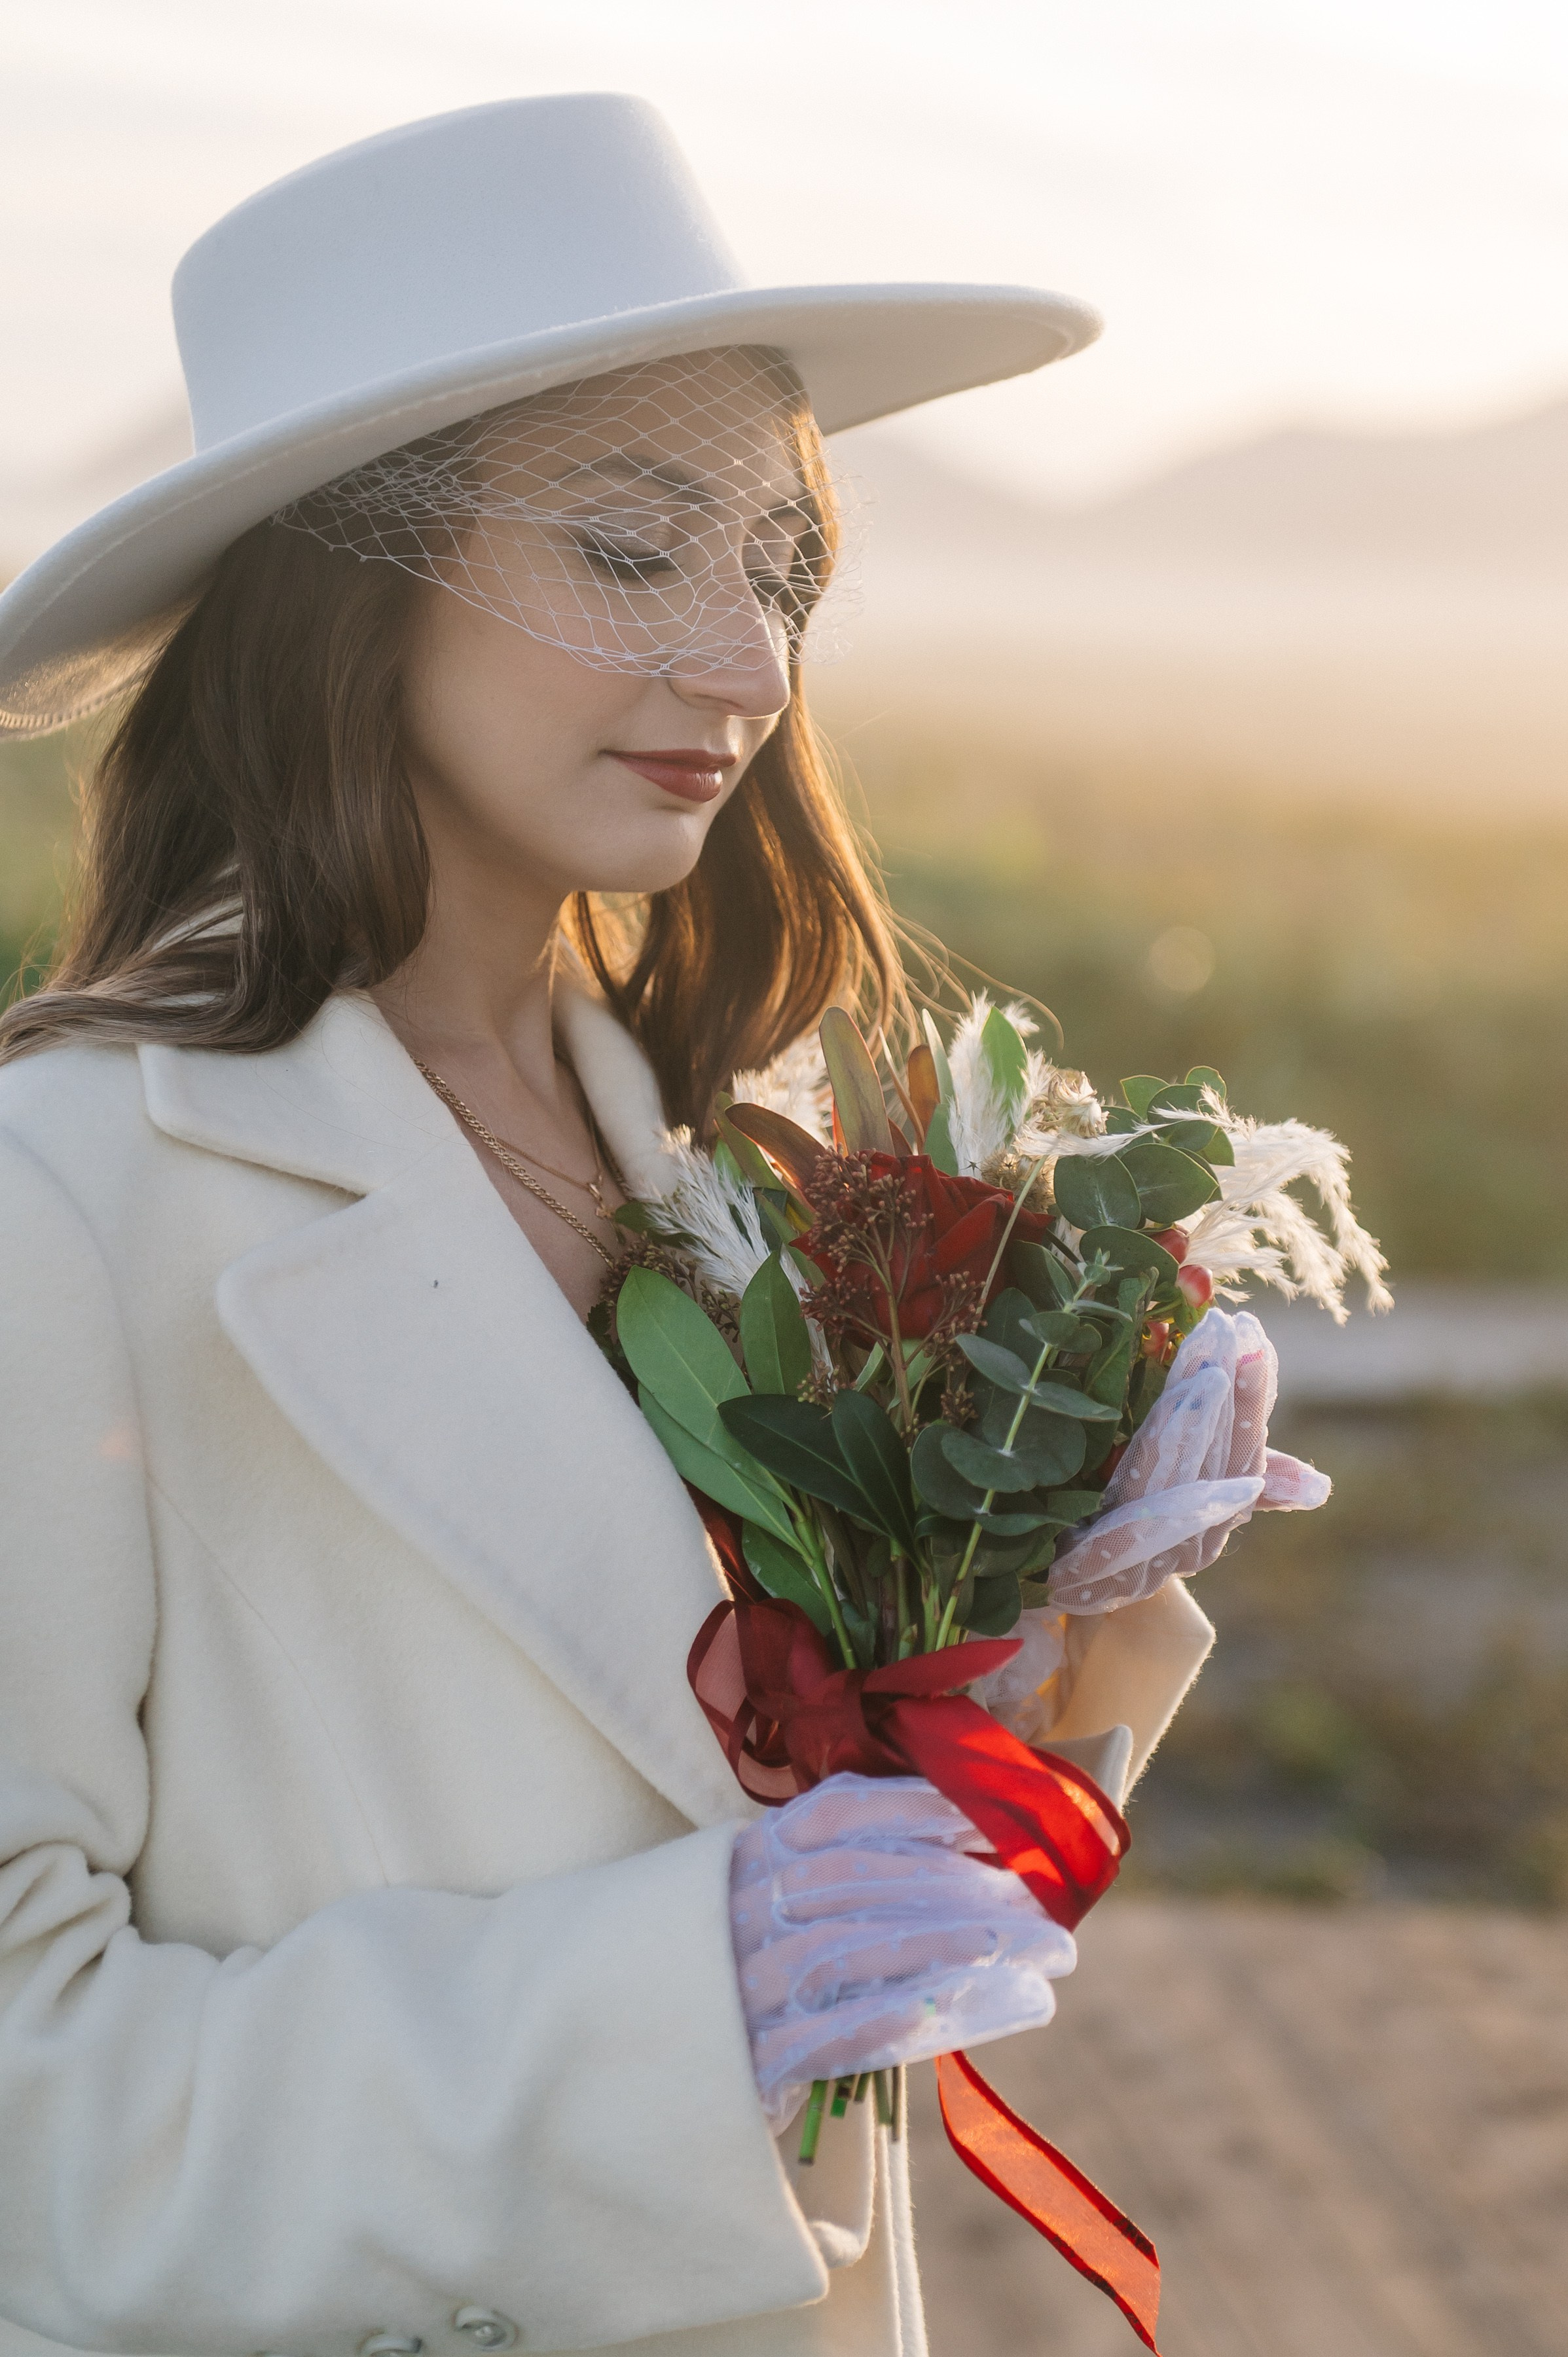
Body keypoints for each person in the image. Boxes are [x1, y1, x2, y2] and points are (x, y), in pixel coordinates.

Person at [0, 95, 1231, 2357]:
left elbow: (830, 1886)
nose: (751, 668)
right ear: (351, 581)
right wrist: (666, 2015)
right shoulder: (62, 1202)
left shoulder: (724, 1169)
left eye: (778, 567)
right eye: (631, 552)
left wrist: (1041, 1629)